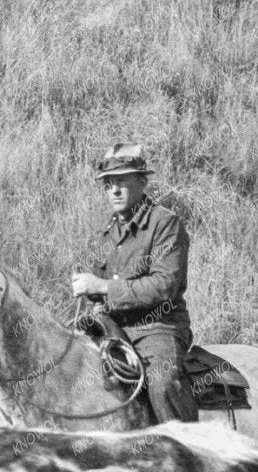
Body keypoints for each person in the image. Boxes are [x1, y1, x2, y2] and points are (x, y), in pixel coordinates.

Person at [71, 142, 199, 423]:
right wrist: (88, 291)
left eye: (121, 182)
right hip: (113, 325)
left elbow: (164, 285)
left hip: (157, 328)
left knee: (162, 383)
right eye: (108, 184)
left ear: (142, 182)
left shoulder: (165, 224)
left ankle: (185, 448)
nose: (113, 190)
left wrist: (103, 287)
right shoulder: (105, 232)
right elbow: (98, 285)